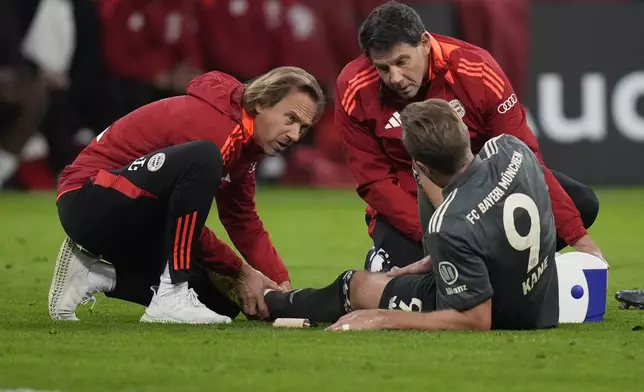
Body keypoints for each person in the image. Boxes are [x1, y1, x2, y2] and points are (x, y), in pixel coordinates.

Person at [335, 1, 602, 272]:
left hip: (483, 193)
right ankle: (402, 259)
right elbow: (375, 181)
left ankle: (488, 263)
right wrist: (442, 233)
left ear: (425, 43)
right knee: (423, 285)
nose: (395, 78)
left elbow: (523, 159)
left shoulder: (477, 70)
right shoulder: (354, 88)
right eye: (383, 68)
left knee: (581, 204)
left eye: (402, 62)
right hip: (411, 203)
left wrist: (579, 238)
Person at [49, 66, 325, 324]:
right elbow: (177, 214)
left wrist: (281, 288)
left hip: (131, 215)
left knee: (223, 300)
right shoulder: (217, 128)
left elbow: (243, 221)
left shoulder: (245, 144)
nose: (295, 135)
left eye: (303, 127)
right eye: (290, 119)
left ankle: (92, 276)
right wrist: (242, 270)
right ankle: (172, 293)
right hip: (87, 200)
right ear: (262, 103)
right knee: (204, 157)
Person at [265, 98, 559, 331]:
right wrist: (434, 259)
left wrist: (384, 318)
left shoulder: (448, 224)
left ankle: (271, 302)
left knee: (355, 286)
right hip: (542, 299)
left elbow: (476, 320)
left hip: (502, 311)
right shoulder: (512, 148)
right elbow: (492, 221)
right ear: (464, 136)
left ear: (424, 167)